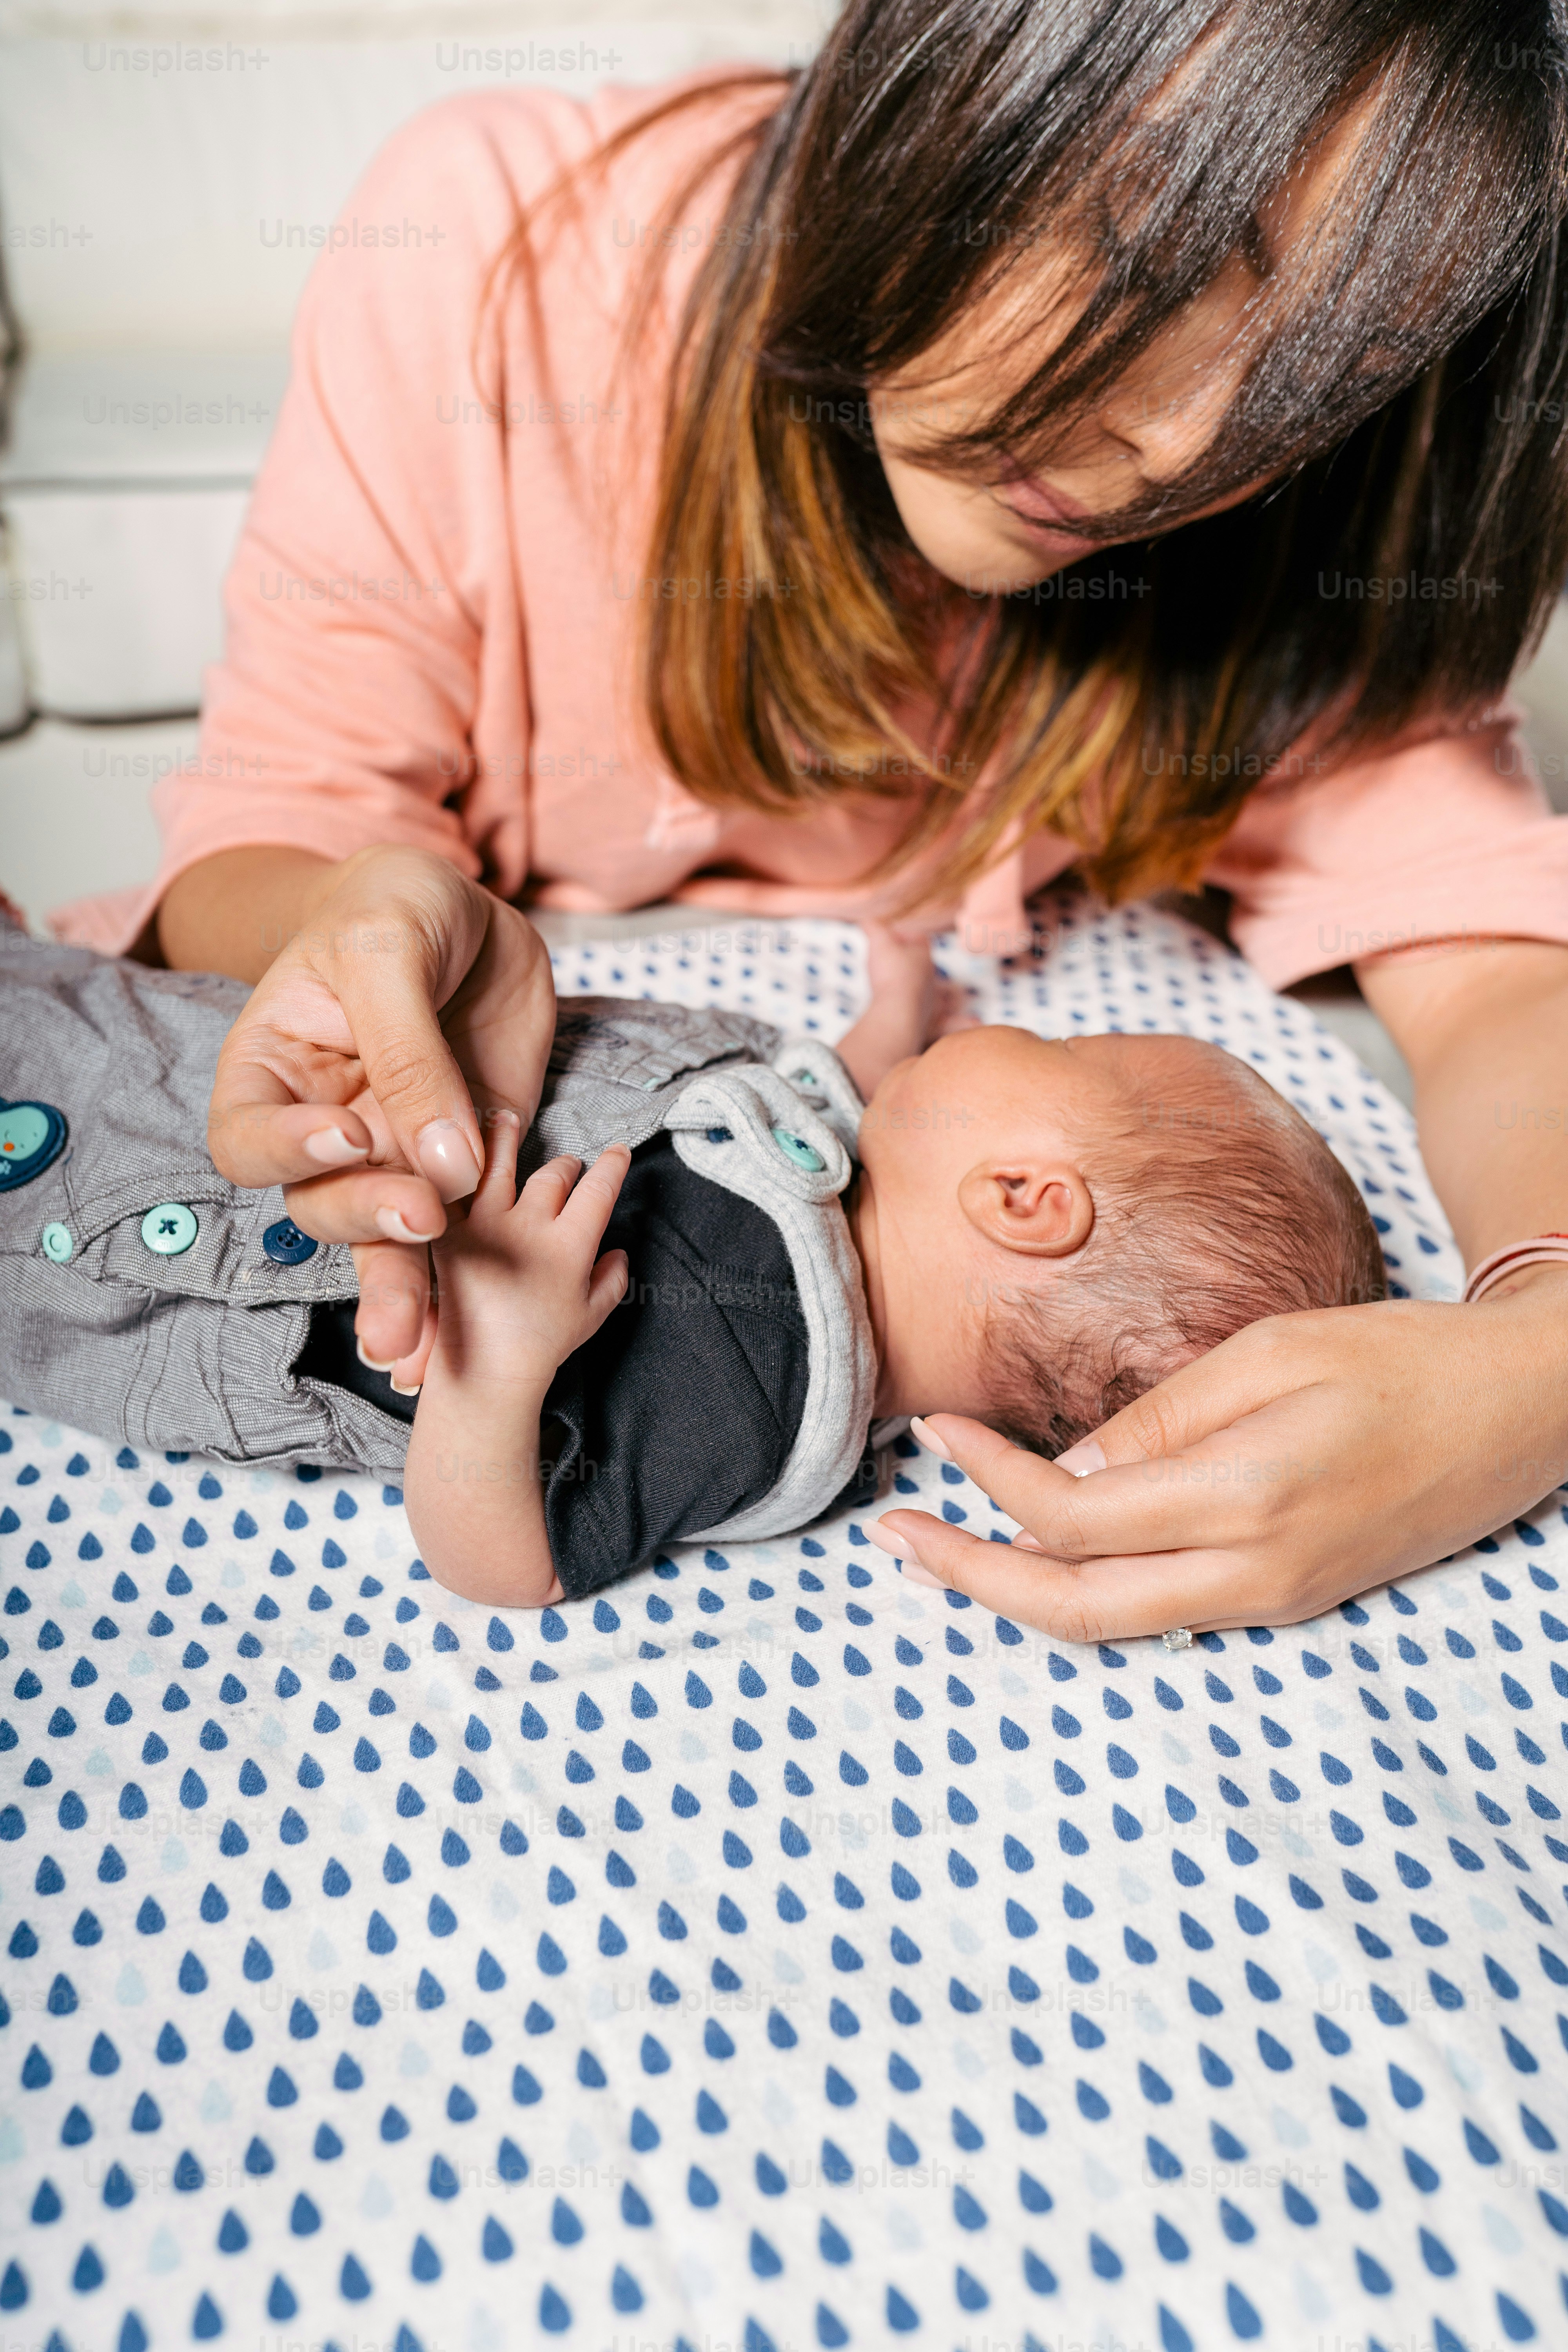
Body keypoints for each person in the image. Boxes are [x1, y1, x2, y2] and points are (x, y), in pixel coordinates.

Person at [49, 0, 1568, 1634]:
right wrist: (355, 918)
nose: (1185, 445)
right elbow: (261, 839)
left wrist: (1535, 1360)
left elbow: (1497, 976)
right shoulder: (498, 256)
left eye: (1317, 371)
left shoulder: (1309, 528)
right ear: (960, 67)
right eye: (1145, 245)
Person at [0, 905, 1381, 1608]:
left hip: (128, 1248)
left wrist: (499, 1360)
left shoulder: (757, 1395)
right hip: (245, 1059)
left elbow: (510, 1565)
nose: (1046, 1029)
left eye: (1069, 1051)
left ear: (1023, 1198)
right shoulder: (840, 1180)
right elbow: (839, 1095)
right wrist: (899, 1001)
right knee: (92, 1009)